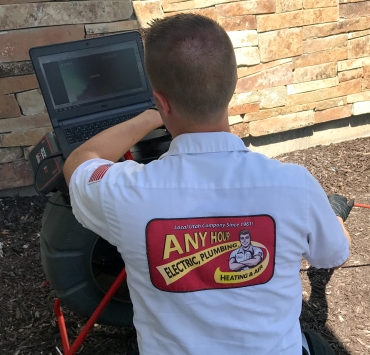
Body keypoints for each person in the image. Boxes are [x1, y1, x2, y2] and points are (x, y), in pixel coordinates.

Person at [64, 13, 354, 355]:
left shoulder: (125, 194)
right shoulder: (295, 187)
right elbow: (335, 252)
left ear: (162, 100)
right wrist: (332, 215)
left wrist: (149, 116)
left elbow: (79, 163)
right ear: (231, 86)